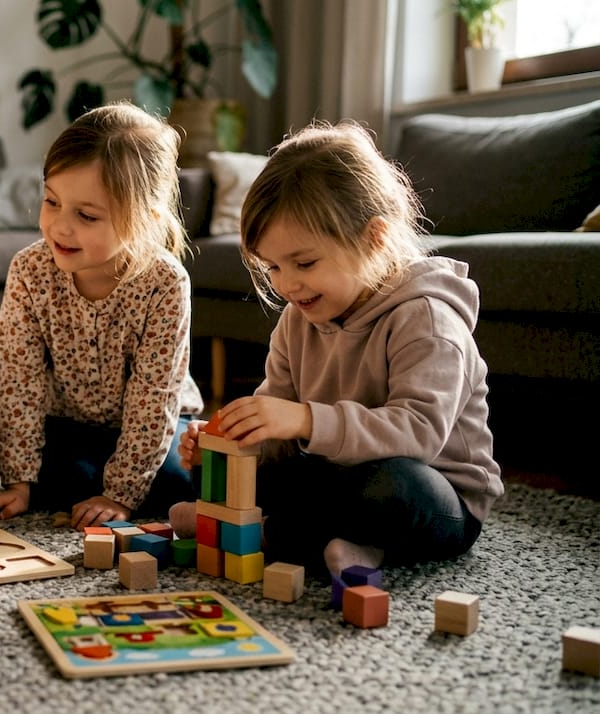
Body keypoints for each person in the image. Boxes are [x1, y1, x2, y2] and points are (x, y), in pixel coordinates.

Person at [170, 120, 504, 578]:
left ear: (374, 238)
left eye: (304, 263)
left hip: (435, 493)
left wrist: (305, 418)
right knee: (239, 471)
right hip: (334, 474)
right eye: (272, 268)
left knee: (391, 488)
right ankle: (327, 539)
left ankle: (270, 535)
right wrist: (233, 440)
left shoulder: (426, 317)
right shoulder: (298, 318)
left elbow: (420, 434)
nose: (286, 285)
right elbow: (283, 436)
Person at [0, 101, 204, 530]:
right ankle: (74, 478)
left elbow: (155, 398)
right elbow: (18, 382)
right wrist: (19, 481)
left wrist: (121, 494)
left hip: (155, 424)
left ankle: (121, 479)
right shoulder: (29, 270)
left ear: (145, 220)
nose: (60, 226)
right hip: (69, 424)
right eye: (51, 202)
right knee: (52, 475)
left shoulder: (166, 283)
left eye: (86, 215)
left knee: (181, 477)